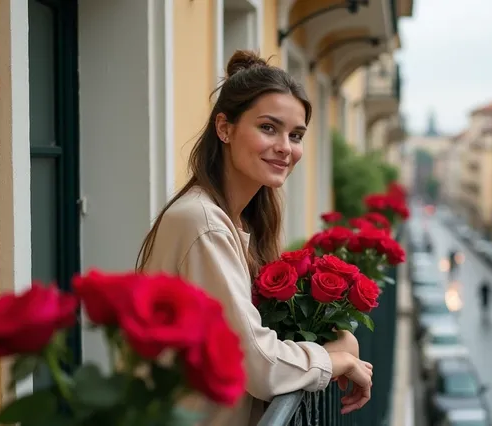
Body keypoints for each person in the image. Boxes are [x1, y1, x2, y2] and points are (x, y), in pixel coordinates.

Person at [135, 50, 372, 425]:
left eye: (295, 135)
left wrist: (337, 335)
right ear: (224, 128)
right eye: (268, 128)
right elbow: (258, 365)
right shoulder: (203, 223)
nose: (285, 147)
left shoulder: (239, 219)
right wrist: (336, 358)